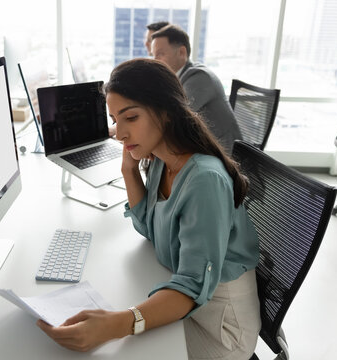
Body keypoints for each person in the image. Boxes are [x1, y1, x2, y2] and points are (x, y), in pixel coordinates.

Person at [37, 58, 261, 360]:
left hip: (220, 325)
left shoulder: (204, 180)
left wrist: (115, 325)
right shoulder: (161, 159)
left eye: (131, 118)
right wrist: (129, 168)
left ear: (166, 112)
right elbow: (148, 225)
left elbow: (192, 287)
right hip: (186, 298)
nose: (118, 133)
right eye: (115, 119)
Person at [151, 24, 242, 153]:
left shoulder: (199, 77)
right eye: (154, 56)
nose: (155, 61)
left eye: (160, 54)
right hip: (202, 146)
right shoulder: (179, 76)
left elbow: (174, 116)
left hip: (225, 156)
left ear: (182, 52)